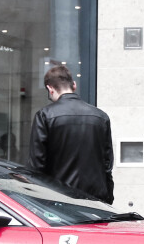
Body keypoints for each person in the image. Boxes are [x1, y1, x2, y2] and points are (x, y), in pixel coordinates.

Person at [29, 64, 114, 203]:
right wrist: (108, 200)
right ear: (74, 85)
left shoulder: (45, 115)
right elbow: (107, 165)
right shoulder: (101, 117)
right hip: (98, 202)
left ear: (50, 89)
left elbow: (37, 166)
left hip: (60, 201)